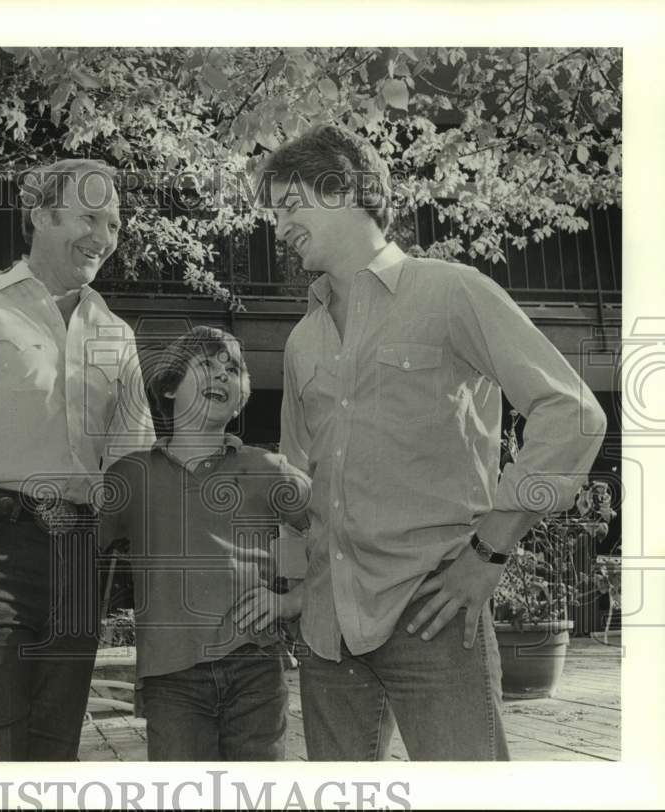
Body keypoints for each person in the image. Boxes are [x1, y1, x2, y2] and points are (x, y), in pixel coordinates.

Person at [255, 123, 608, 760]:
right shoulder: (301, 340)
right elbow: (299, 479)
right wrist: (298, 586)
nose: (278, 227)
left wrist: (490, 551)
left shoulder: (452, 291)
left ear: (341, 188)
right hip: (327, 630)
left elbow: (572, 411)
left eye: (289, 205)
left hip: (436, 613)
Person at [0, 158, 156, 761]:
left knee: (53, 754)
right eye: (89, 217)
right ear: (40, 215)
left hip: (76, 558)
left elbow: (134, 467)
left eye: (113, 224)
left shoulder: (118, 336)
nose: (104, 237)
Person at [100, 326, 311, 760]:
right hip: (170, 680)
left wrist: (295, 601)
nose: (221, 375)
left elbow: (342, 531)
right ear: (171, 387)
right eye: (206, 364)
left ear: (240, 400)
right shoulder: (130, 476)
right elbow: (74, 548)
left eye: (232, 369)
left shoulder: (267, 469)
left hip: (255, 667)